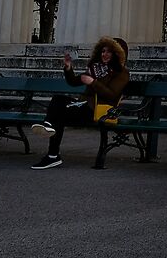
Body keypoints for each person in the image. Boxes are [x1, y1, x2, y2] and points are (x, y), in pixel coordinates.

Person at [30, 36, 129, 170]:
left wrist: (93, 83)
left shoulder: (122, 73)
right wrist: (68, 67)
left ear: (117, 54)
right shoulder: (95, 68)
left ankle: (52, 153)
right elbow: (73, 82)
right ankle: (51, 147)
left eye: (109, 52)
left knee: (58, 110)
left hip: (100, 111)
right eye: (103, 51)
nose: (104, 54)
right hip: (84, 106)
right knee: (58, 102)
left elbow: (111, 95)